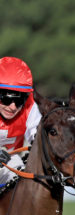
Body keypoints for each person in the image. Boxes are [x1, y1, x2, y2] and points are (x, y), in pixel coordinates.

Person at [0, 56, 41, 187]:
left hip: (9, 164)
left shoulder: (31, 107)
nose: (12, 107)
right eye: (6, 99)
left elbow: (38, 138)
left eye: (19, 101)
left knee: (18, 166)